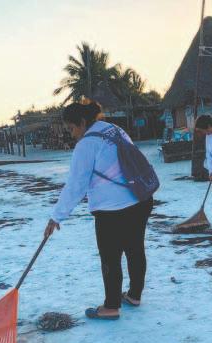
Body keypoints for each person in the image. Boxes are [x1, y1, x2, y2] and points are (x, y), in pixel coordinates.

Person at [44, 101, 154, 320]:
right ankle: (134, 295)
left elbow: (76, 185)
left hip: (112, 210)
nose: (72, 134)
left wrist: (56, 217)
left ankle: (111, 307)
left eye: (72, 128)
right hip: (140, 200)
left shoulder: (86, 145)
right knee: (135, 250)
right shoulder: (114, 129)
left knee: (110, 258)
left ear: (82, 122)